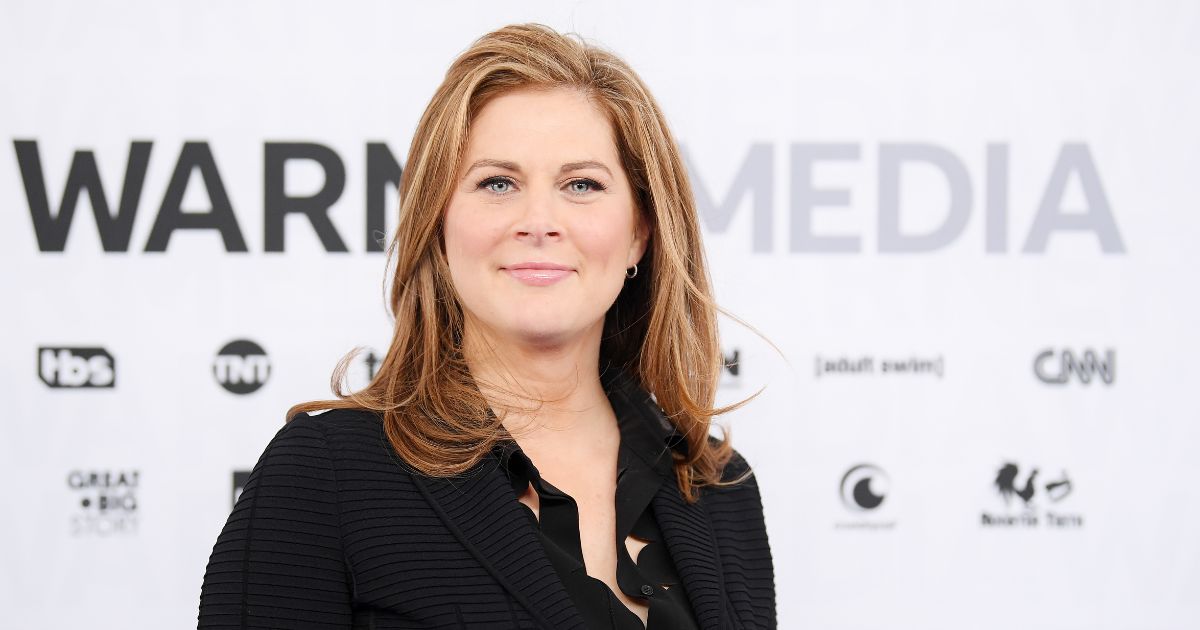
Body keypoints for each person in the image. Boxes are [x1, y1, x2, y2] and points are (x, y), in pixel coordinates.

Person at [198, 22, 775, 630]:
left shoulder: (720, 489)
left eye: (582, 184)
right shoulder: (325, 474)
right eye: (498, 183)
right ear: (438, 224)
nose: (539, 221)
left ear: (639, 232)